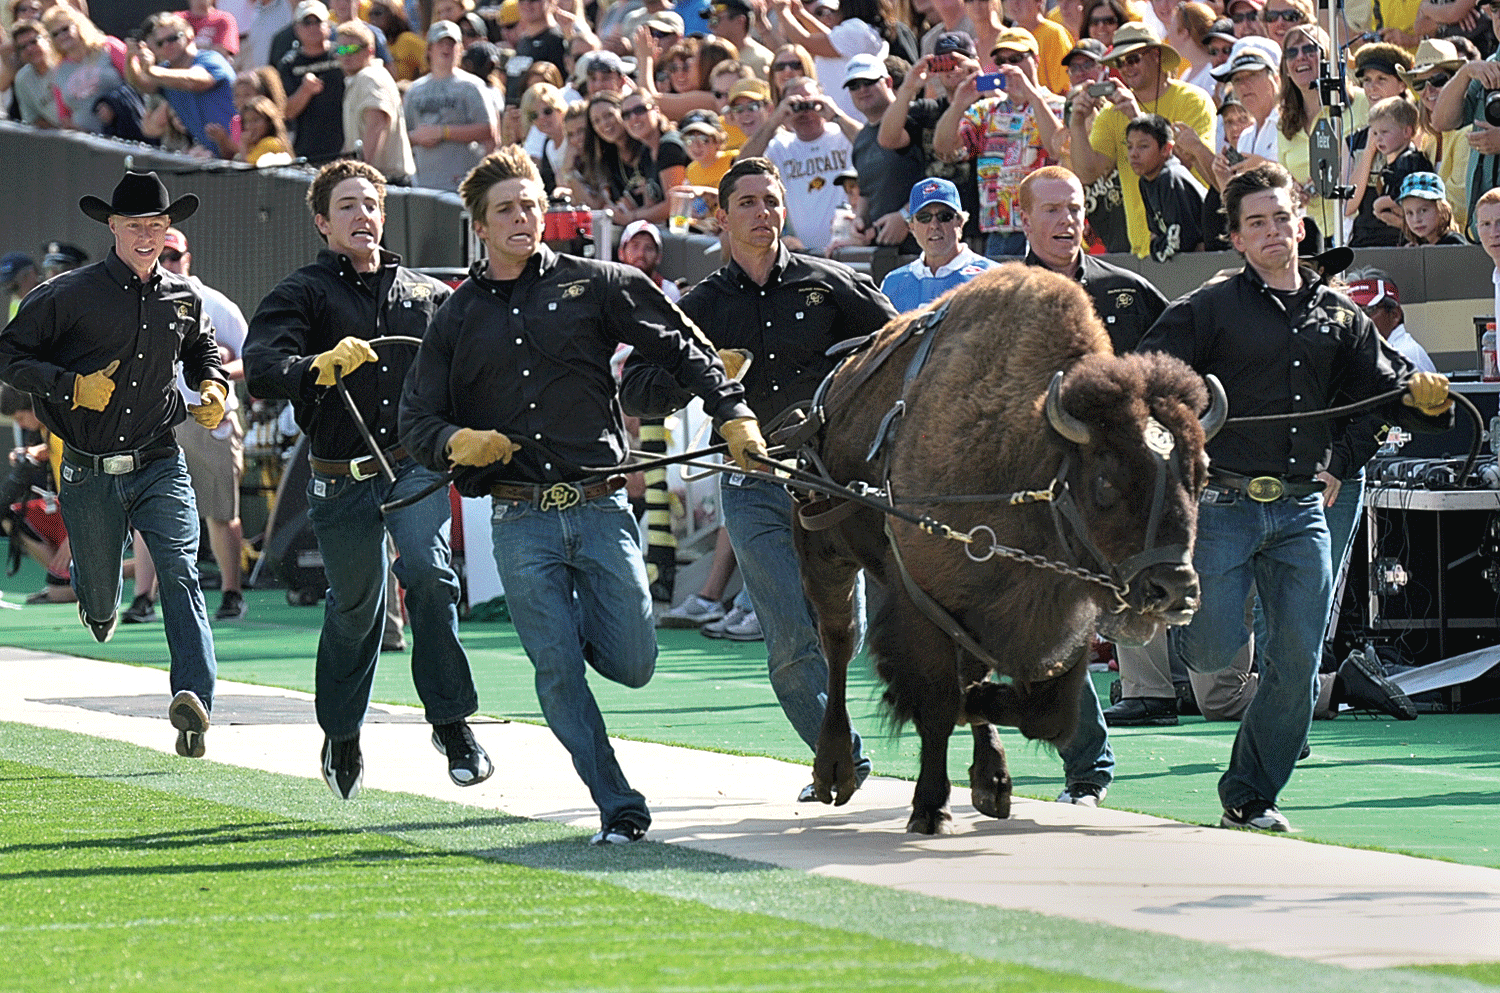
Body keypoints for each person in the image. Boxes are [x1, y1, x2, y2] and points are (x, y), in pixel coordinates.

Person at [400, 146, 765, 844]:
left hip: (600, 508)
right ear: (478, 223)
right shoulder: (456, 316)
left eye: (532, 202)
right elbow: (417, 421)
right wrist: (455, 443)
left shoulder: (600, 282)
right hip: (518, 517)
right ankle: (618, 806)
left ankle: (581, 639)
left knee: (634, 660)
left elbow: (686, 347)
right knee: (559, 673)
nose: (523, 216)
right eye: (506, 208)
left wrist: (733, 410)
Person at [1135, 162, 1454, 832]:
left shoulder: (1339, 313)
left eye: (1282, 218)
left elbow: (1386, 387)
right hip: (1222, 506)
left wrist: (1426, 396)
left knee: (1298, 660)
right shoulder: (1205, 309)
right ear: (1238, 239)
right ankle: (1173, 626)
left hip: (1303, 508)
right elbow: (1147, 380)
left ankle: (1251, 794)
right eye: (1258, 223)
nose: (1275, 231)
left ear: (1301, 223)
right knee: (1215, 652)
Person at [621, 156, 898, 803]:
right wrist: (703, 372)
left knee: (843, 633)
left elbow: (895, 345)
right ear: (721, 217)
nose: (762, 213)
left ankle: (837, 728)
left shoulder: (829, 283)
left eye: (771, 201)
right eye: (747, 202)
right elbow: (636, 385)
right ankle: (841, 756)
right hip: (752, 488)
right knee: (789, 638)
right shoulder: (700, 305)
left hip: (834, 485)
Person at [244, 159, 492, 801]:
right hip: (339, 474)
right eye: (347, 205)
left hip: (413, 467)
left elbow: (465, 375)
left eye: (371, 203)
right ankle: (343, 732)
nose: (362, 215)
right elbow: (263, 363)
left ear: (384, 214)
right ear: (323, 221)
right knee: (356, 607)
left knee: (433, 580)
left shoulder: (427, 294)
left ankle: (452, 723)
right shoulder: (301, 293)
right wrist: (312, 366)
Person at [0, 170, 225, 759]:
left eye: (155, 225)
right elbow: (9, 355)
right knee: (98, 594)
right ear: (112, 227)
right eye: (134, 226)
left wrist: (213, 384)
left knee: (180, 569)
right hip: (87, 467)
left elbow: (202, 347)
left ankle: (193, 699)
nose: (146, 235)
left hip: (159, 459)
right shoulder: (67, 293)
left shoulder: (184, 296)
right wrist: (71, 387)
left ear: (168, 228)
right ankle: (95, 603)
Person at [125, 227, 252, 625]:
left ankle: (232, 593)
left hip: (207, 416)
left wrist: (213, 375)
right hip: (156, 418)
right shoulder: (136, 304)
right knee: (148, 509)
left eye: (173, 257)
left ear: (188, 259)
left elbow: (250, 358)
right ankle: (143, 597)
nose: (167, 265)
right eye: (159, 257)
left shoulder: (213, 302)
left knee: (221, 510)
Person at [1068, 22, 1215, 259]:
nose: (1126, 68)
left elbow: (1190, 164)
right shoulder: (1111, 112)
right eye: (1119, 62)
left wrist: (1137, 117)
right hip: (1142, 248)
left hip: (1191, 243)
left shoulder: (1192, 100)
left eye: (1133, 59)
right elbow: (1088, 174)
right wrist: (1076, 123)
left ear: (1156, 55)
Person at [932, 28, 1060, 259]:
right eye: (1001, 61)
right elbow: (943, 148)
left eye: (1016, 58)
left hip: (1046, 227)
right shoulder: (986, 110)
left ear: (1036, 60)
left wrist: (1032, 95)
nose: (1009, 66)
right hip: (999, 230)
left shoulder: (1057, 105)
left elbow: (1058, 149)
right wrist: (959, 103)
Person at [737, 75, 859, 254]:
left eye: (810, 103)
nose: (804, 112)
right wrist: (775, 120)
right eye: (795, 106)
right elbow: (742, 165)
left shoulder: (842, 136)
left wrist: (836, 115)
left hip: (844, 247)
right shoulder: (781, 147)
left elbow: (873, 146)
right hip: (803, 252)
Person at [402, 20, 497, 191]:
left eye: (451, 44)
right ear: (429, 49)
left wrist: (443, 132)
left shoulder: (472, 86)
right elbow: (402, 135)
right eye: (441, 43)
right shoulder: (414, 90)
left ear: (460, 49)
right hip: (424, 182)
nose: (446, 48)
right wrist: (416, 137)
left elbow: (488, 129)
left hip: (464, 181)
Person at [126, 11, 237, 156]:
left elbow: (195, 81)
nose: (166, 45)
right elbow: (140, 83)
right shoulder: (164, 71)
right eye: (160, 43)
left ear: (190, 34)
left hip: (242, 152)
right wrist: (130, 58)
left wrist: (151, 71)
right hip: (213, 156)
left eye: (172, 38)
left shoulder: (210, 59)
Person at [878, 177, 997, 312]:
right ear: (912, 226)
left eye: (944, 216)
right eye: (924, 217)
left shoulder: (991, 276)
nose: (934, 225)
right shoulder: (892, 282)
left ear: (960, 222)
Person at [844, 53, 923, 252]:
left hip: (926, 244)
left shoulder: (916, 117)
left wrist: (906, 216)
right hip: (884, 251)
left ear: (888, 82)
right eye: (854, 85)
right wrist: (859, 222)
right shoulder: (861, 138)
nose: (862, 89)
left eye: (868, 82)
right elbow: (867, 191)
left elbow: (940, 174)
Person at [1346, 95, 1432, 248]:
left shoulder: (1411, 162)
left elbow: (1409, 203)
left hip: (1396, 241)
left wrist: (1381, 206)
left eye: (1385, 132)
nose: (1378, 139)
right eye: (1375, 133)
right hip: (1367, 241)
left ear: (1407, 132)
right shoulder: (1392, 164)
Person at [336, 18, 415, 183]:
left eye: (352, 48)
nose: (347, 54)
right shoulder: (358, 79)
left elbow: (376, 124)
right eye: (342, 49)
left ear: (370, 51)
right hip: (378, 178)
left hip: (386, 180)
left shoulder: (370, 77)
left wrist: (360, 173)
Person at [1127, 112, 1207, 260]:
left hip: (1205, 259)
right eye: (1130, 147)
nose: (1133, 154)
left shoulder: (1171, 178)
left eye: (1143, 146)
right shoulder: (1145, 181)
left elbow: (1183, 240)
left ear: (1166, 149)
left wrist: (1158, 248)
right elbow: (1155, 233)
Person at [278, 0, 345, 163]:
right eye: (307, 22)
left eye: (318, 22)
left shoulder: (342, 51)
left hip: (346, 146)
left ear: (329, 25)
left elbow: (360, 52)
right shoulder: (289, 63)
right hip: (308, 150)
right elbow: (285, 112)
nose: (313, 27)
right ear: (296, 29)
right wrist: (305, 90)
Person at [1346, 271, 1438, 374]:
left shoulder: (1404, 357)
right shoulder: (1371, 352)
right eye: (1352, 311)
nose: (1359, 319)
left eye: (1368, 310)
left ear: (1395, 314)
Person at [1389, 170, 1469, 245]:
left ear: (1442, 209)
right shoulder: (1415, 244)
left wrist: (1433, 253)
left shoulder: (1454, 242)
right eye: (1409, 213)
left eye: (1423, 210)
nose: (1416, 219)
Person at [2, 253, 40, 322]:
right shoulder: (16, 302)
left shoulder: (45, 300)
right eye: (6, 283)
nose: (9, 287)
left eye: (14, 282)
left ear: (31, 275)